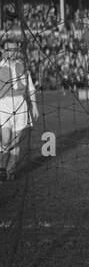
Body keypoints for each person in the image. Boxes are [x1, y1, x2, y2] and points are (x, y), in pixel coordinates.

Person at [0, 38, 39, 181]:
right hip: (4, 107)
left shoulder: (22, 66)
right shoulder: (0, 67)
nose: (12, 52)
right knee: (5, 140)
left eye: (14, 49)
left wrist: (34, 106)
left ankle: (10, 171)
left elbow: (31, 88)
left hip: (20, 106)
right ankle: (2, 167)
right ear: (3, 50)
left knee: (16, 142)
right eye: (8, 49)